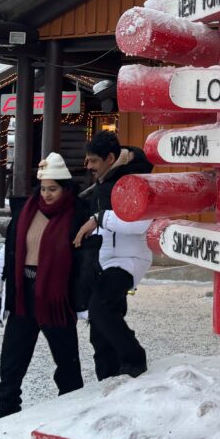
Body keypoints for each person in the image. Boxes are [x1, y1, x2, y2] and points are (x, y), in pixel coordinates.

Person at [0, 153, 91, 418]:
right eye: (43, 188)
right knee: (12, 359)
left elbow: (85, 263)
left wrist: (86, 302)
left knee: (67, 362)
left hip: (56, 299)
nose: (46, 194)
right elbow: (8, 252)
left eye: (53, 189)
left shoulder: (77, 214)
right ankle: (4, 411)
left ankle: (70, 413)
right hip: (24, 293)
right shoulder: (27, 211)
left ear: (64, 188)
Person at [74, 131, 153, 380]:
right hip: (106, 260)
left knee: (100, 308)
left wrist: (99, 219)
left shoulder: (133, 181)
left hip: (129, 259)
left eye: (93, 161)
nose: (88, 166)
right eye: (87, 160)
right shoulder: (104, 182)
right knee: (99, 330)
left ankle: (135, 359)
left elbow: (141, 222)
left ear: (110, 158)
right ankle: (108, 380)